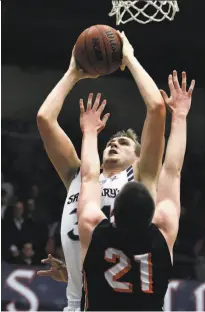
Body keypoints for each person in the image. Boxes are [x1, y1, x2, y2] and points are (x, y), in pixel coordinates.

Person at [37, 31, 166, 311]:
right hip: (76, 303)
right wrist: (73, 72)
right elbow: (44, 119)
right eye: (110, 141)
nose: (114, 144)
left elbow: (156, 108)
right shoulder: (79, 175)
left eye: (123, 143)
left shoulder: (140, 180)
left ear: (139, 158)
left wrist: (129, 58)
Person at [77, 71, 195, 311]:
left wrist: (89, 133)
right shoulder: (163, 230)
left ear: (112, 213)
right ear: (153, 213)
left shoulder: (93, 226)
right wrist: (181, 116)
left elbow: (88, 177)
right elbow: (173, 171)